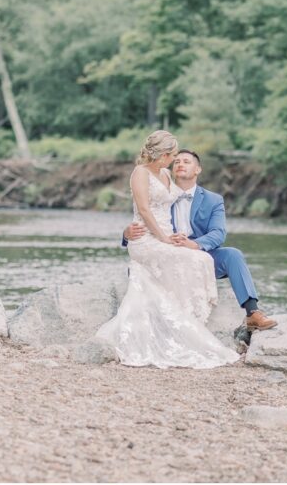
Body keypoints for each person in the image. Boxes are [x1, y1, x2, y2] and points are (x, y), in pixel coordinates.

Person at [95, 130, 239, 368]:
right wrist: (161, 238)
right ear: (162, 154)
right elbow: (143, 210)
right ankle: (180, 323)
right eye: (173, 155)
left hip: (165, 237)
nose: (175, 160)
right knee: (192, 260)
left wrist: (174, 236)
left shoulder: (163, 173)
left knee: (202, 259)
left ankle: (190, 320)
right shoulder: (140, 173)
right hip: (146, 240)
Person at [123, 149, 277, 331]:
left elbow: (218, 233)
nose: (180, 164)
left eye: (187, 161)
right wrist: (126, 234)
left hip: (201, 252)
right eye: (177, 161)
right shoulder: (162, 195)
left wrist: (195, 244)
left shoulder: (213, 200)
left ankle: (253, 313)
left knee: (233, 255)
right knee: (140, 266)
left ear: (198, 170)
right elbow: (142, 217)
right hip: (166, 252)